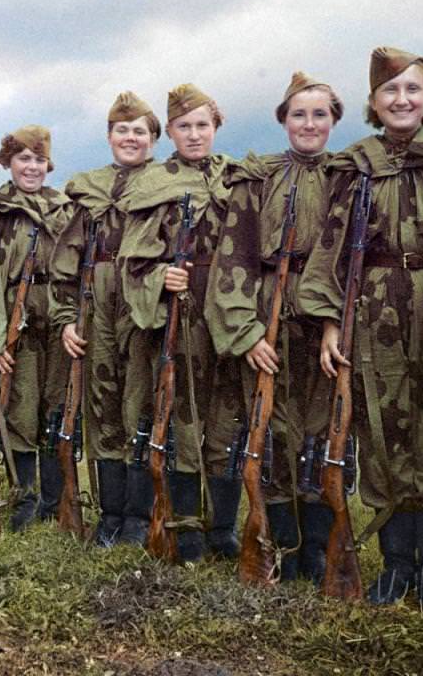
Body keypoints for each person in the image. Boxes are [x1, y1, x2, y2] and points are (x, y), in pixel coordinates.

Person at [298, 47, 423, 613]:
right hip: (371, 309)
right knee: (380, 437)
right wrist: (330, 325)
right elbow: (329, 249)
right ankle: (396, 570)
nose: (402, 100)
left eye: (413, 90)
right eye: (389, 92)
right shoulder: (354, 165)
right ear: (374, 103)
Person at [205, 72, 343, 580]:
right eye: (299, 114)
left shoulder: (348, 177)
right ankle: (281, 545)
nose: (309, 124)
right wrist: (244, 334)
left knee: (318, 435)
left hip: (323, 320)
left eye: (320, 114)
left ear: (333, 121)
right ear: (284, 120)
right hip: (265, 315)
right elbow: (233, 256)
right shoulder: (257, 178)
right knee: (274, 432)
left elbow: (354, 259)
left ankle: (319, 554)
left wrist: (334, 323)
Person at [120, 83, 244, 562]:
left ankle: (224, 528)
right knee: (184, 421)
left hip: (230, 313)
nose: (194, 135)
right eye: (184, 126)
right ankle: (188, 529)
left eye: (203, 125)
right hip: (185, 314)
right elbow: (134, 259)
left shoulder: (237, 177)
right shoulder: (154, 184)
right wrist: (160, 276)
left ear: (216, 128)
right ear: (169, 131)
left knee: (227, 419)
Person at [49, 92, 160, 545]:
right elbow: (65, 259)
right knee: (102, 406)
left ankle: (139, 515)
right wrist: (66, 318)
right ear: (109, 137)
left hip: (142, 301)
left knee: (141, 402)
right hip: (96, 303)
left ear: (154, 139)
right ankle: (110, 514)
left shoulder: (167, 185)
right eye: (122, 130)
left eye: (140, 131)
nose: (130, 138)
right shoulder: (87, 189)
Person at [0, 125, 71, 531]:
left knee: (57, 406)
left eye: (39, 159)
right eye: (24, 159)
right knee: (20, 409)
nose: (32, 167)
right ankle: (23, 502)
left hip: (57, 313)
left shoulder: (64, 208)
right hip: (14, 316)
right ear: (9, 163)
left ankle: (54, 503)